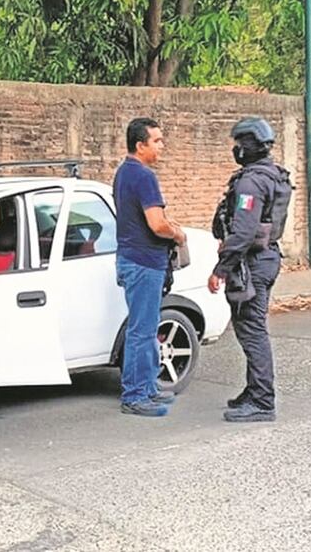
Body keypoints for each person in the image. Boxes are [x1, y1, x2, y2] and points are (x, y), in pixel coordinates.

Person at [208, 116, 292, 423]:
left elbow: (243, 232)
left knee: (252, 330)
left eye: (239, 143)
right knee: (252, 327)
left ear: (250, 146)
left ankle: (262, 401)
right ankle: (254, 390)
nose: (236, 149)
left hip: (252, 264)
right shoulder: (273, 175)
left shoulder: (251, 181)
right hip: (267, 259)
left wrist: (220, 268)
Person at [113, 118, 187, 417]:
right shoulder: (143, 177)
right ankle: (135, 395)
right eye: (156, 141)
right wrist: (177, 233)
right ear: (140, 145)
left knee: (145, 328)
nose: (161, 146)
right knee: (142, 331)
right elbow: (156, 224)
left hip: (135, 259)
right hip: (144, 262)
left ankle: (147, 388)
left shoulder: (123, 173)